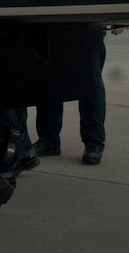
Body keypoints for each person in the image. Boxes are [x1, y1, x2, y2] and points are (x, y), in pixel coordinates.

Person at [35, 25, 111, 164]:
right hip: (50, 19)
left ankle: (94, 142)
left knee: (90, 80)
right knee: (48, 77)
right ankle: (48, 139)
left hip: (86, 20)